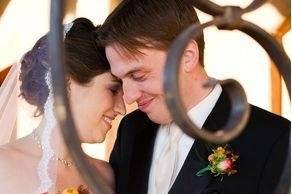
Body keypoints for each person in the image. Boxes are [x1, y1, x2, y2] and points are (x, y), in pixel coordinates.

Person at [98, 0, 290, 194]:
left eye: (138, 76)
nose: (129, 97)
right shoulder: (131, 130)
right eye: (121, 81)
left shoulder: (274, 139)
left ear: (187, 56)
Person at [0, 17, 125, 194]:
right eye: (113, 90)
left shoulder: (105, 175)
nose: (122, 108)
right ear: (65, 84)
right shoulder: (3, 166)